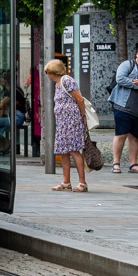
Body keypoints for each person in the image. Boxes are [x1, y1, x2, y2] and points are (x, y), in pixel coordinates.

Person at [109, 44, 138, 174]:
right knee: (121, 135)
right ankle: (116, 163)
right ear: (137, 54)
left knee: (135, 137)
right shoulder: (127, 65)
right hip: (123, 106)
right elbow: (120, 79)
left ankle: (133, 164)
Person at [46, 59, 90, 192]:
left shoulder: (66, 80)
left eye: (48, 72)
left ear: (54, 71)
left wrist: (83, 116)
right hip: (63, 123)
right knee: (64, 151)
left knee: (73, 150)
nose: (47, 74)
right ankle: (66, 182)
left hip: (71, 122)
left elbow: (79, 98)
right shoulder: (57, 84)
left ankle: (82, 182)